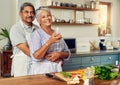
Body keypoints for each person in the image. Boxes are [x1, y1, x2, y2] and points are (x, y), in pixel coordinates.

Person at [29, 7, 71, 75]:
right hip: (41, 72)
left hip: (57, 71)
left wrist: (59, 54)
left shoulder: (56, 33)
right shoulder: (36, 34)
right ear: (39, 21)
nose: (47, 18)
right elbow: (36, 57)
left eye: (49, 15)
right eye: (43, 17)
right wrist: (50, 41)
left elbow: (68, 53)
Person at [10, 2, 38, 77]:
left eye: (32, 12)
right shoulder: (16, 28)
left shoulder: (37, 29)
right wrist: (43, 57)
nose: (29, 15)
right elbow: (26, 50)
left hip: (36, 64)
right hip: (21, 65)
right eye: (26, 12)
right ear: (20, 14)